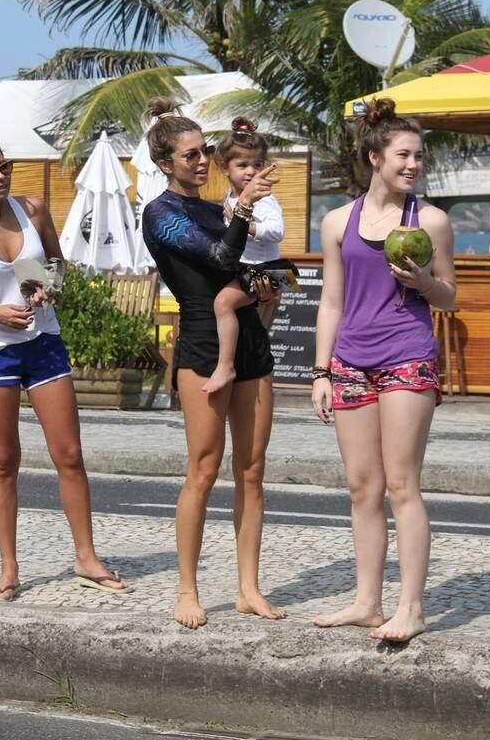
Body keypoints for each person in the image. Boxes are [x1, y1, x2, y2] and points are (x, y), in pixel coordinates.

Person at [0, 122, 130, 601]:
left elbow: (59, 267)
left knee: (69, 455)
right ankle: (8, 569)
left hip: (43, 343)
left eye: (4, 167)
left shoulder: (33, 209)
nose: (0, 177)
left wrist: (46, 286)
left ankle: (86, 557)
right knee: (4, 461)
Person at [309, 98, 456, 643]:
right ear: (375, 157)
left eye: (419, 156)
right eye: (403, 154)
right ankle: (367, 601)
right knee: (361, 487)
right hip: (350, 360)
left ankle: (410, 608)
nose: (413, 164)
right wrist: (321, 371)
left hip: (406, 357)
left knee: (401, 484)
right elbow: (331, 300)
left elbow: (448, 298)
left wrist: (423, 283)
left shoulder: (432, 221)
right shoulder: (336, 221)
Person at [139, 97, 283, 629]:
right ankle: (187, 589)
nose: (202, 162)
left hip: (249, 340)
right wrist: (243, 208)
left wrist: (269, 282)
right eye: (191, 155)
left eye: (205, 153)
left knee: (252, 470)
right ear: (165, 163)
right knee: (202, 469)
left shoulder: (221, 204)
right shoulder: (162, 213)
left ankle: (248, 588)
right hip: (203, 344)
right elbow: (222, 260)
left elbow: (254, 270)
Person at [202, 117, 287, 394]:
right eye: (242, 165)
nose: (251, 172)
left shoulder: (264, 198)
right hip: (248, 269)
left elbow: (277, 231)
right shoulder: (228, 198)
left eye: (257, 165)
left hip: (267, 268)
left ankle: (225, 365)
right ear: (224, 167)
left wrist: (246, 225)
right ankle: (234, 360)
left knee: (223, 304)